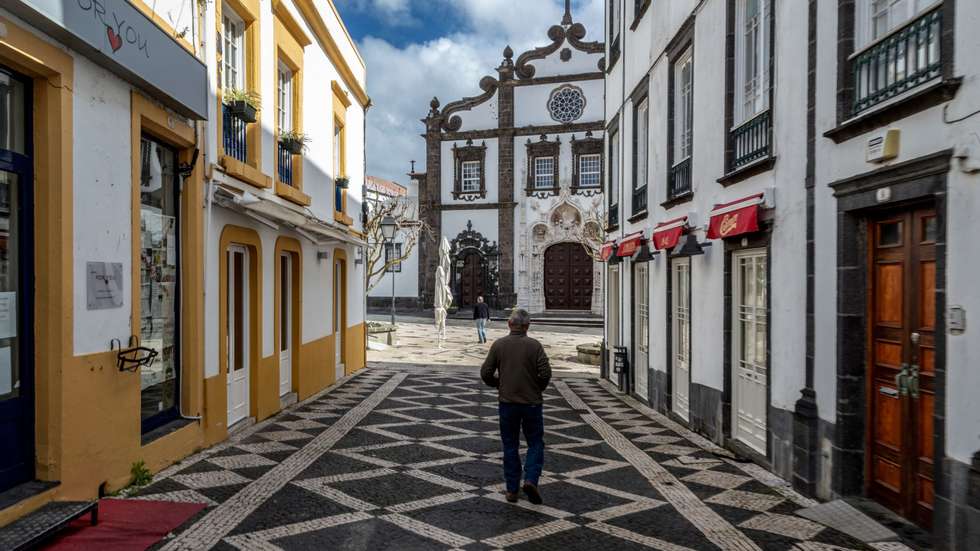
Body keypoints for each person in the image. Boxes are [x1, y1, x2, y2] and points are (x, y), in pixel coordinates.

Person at [480, 309, 551, 504]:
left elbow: (485, 372)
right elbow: (545, 374)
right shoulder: (535, 346)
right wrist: (537, 389)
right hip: (532, 404)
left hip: (507, 404)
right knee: (535, 443)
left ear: (509, 324)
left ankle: (512, 490)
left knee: (510, 445)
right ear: (527, 326)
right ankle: (530, 480)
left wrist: (499, 384)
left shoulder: (499, 345)